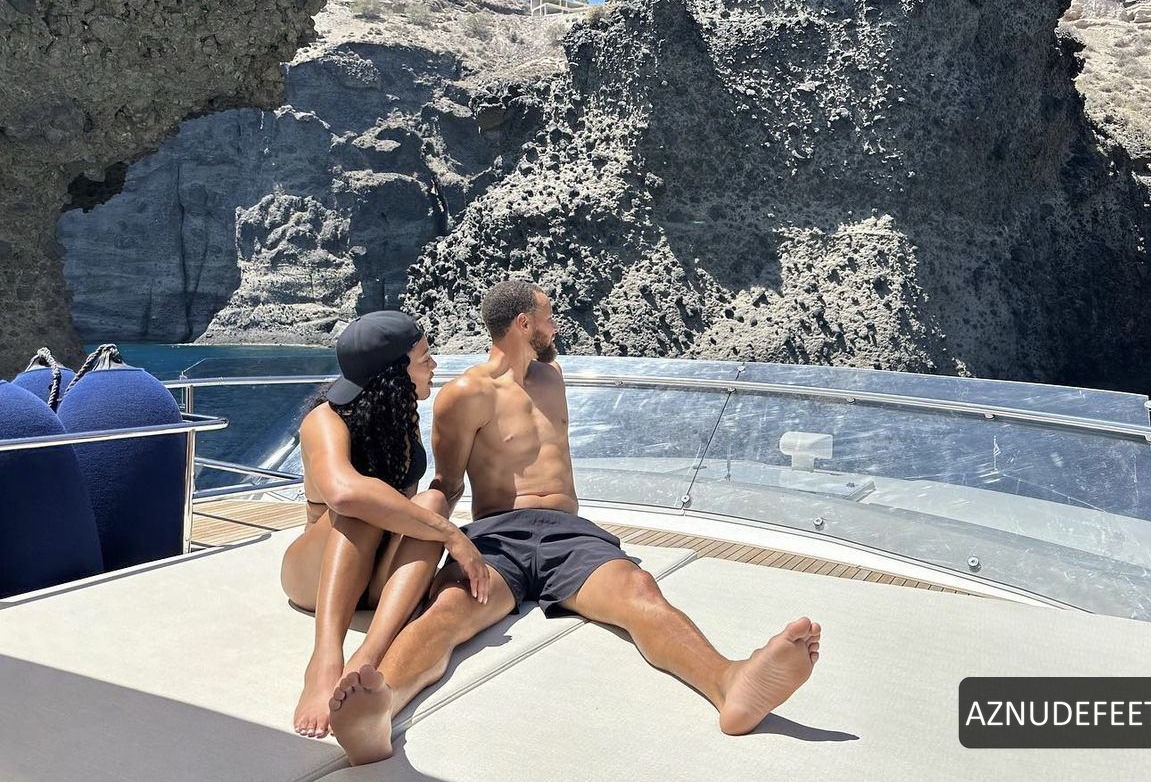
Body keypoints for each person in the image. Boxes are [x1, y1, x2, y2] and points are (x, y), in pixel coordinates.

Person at [326, 281, 822, 765]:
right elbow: (449, 484)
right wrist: (443, 542)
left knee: (640, 592)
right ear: (524, 324)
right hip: (499, 536)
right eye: (548, 317)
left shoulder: (553, 378)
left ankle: (730, 683)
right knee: (449, 609)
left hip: (569, 533)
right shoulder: (464, 394)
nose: (555, 326)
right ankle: (380, 708)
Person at [280, 310, 491, 739]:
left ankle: (368, 655)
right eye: (425, 358)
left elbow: (421, 507)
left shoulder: (401, 415)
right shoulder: (324, 420)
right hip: (315, 578)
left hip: (373, 578)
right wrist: (451, 535)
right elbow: (343, 493)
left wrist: (442, 518)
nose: (434, 365)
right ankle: (324, 661)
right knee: (362, 504)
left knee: (431, 501)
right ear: (394, 374)